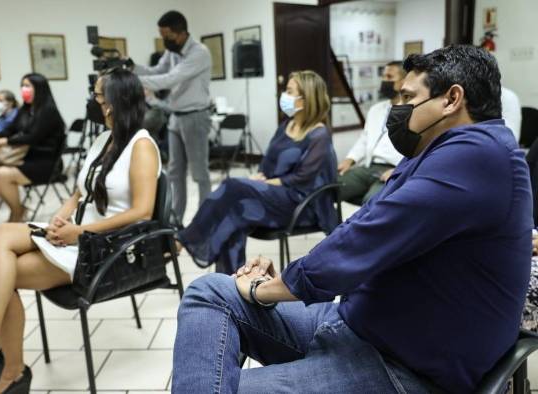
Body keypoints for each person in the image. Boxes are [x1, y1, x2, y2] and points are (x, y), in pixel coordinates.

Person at [171, 45, 532, 393]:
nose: (398, 107)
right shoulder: (433, 150)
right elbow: (362, 222)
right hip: (356, 324)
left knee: (233, 386)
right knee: (209, 292)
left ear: (452, 99)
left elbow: (369, 237)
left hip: (402, 366)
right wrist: (282, 280)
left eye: (407, 97)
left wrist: (268, 289)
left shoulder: (482, 155)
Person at [0, 69, 161, 393]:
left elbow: (142, 211)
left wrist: (81, 232)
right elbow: (79, 192)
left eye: (97, 96)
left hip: (103, 245)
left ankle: (7, 371)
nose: (93, 102)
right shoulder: (104, 138)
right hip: (78, 231)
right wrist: (61, 217)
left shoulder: (141, 146)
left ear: (112, 103)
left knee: (4, 276)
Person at [176, 70, 338, 274]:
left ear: (306, 99)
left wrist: (267, 184)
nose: (284, 96)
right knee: (234, 216)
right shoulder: (287, 125)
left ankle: (183, 240)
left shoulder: (319, 134)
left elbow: (302, 179)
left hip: (298, 204)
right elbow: (268, 162)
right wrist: (259, 178)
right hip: (274, 195)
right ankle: (230, 287)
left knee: (231, 186)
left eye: (289, 91)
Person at [133, 10, 212, 224]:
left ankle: (205, 221)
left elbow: (169, 80)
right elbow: (156, 70)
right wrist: (132, 67)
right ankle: (177, 218)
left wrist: (134, 81)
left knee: (199, 174)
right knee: (175, 172)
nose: (164, 40)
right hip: (176, 117)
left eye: (167, 36)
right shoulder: (173, 52)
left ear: (181, 32)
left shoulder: (199, 53)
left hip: (195, 116)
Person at [0, 73, 65, 222]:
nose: (23, 89)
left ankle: (16, 213)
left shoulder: (48, 111)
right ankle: (18, 208)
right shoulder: (25, 109)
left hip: (44, 162)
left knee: (1, 174)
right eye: (22, 86)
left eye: (27, 86)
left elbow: (33, 137)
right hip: (25, 158)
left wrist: (4, 141)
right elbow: (10, 129)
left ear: (39, 88)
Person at [337, 61, 405, 205]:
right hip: (369, 166)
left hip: (393, 169)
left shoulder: (413, 111)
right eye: (383, 76)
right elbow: (364, 139)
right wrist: (349, 159)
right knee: (334, 187)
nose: (383, 81)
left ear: (403, 82)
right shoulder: (376, 109)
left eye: (389, 76)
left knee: (371, 202)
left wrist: (400, 171)